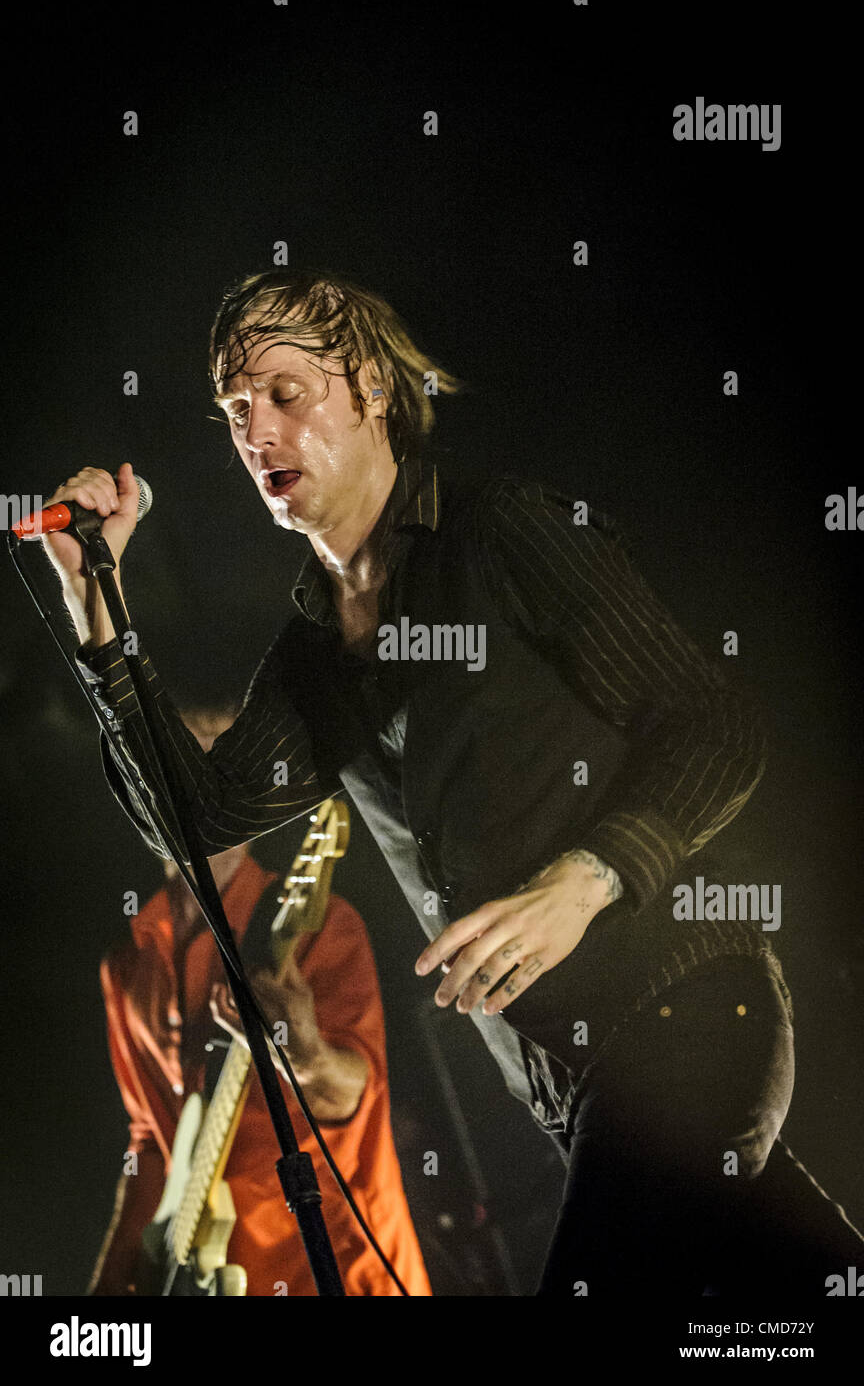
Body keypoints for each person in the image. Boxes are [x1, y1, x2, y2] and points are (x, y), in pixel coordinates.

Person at [44, 269, 863, 1296]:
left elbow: (718, 722)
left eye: (286, 394)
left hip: (684, 1016)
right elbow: (196, 821)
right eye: (236, 410)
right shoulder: (312, 656)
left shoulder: (501, 532)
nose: (256, 430)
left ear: (374, 391)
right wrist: (95, 596)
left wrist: (589, 877)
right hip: (579, 1090)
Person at [88, 705, 432, 1297]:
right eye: (179, 756)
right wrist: (112, 1287)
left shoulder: (316, 925)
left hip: (334, 1267)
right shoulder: (126, 966)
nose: (201, 778)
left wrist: (309, 1059)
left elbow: (357, 1088)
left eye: (222, 756)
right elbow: (150, 1138)